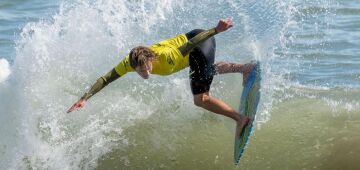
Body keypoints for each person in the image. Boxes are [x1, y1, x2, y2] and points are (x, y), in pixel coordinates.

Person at [67, 18, 253, 137]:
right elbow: (105, 79)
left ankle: (240, 118)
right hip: (194, 42)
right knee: (205, 71)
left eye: (145, 69)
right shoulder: (129, 62)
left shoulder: (166, 56)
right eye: (139, 71)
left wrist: (216, 30)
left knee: (200, 99)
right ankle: (245, 68)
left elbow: (193, 44)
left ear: (151, 59)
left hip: (199, 41)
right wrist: (84, 98)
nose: (144, 73)